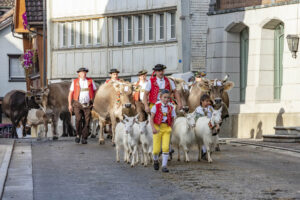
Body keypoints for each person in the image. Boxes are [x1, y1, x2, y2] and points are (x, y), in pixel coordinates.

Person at [68, 67, 97, 144]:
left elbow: (95, 91)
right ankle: (78, 135)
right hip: (77, 103)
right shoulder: (75, 82)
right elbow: (70, 93)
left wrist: (94, 101)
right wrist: (69, 105)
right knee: (78, 119)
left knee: (87, 121)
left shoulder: (90, 81)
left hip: (88, 104)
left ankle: (84, 137)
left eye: (85, 73)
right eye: (82, 73)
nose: (83, 74)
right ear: (79, 74)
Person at [150, 89, 176, 173]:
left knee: (165, 147)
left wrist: (171, 127)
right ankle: (155, 160)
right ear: (160, 97)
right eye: (164, 97)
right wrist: (153, 128)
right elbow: (151, 118)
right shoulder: (156, 106)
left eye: (168, 98)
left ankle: (164, 165)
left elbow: (172, 118)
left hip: (166, 128)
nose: (166, 99)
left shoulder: (171, 107)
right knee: (156, 149)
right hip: (157, 127)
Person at [195, 94, 219, 159]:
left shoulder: (210, 108)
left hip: (210, 125)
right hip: (202, 126)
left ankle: (210, 149)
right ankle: (204, 151)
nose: (207, 103)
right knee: (203, 139)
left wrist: (217, 124)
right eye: (206, 101)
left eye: (208, 101)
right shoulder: (198, 109)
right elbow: (196, 118)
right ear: (201, 101)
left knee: (212, 137)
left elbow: (214, 114)